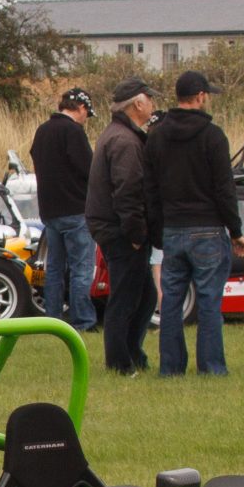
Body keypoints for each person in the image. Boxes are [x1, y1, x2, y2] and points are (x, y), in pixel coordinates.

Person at [142, 70, 244, 376]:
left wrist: (157, 230)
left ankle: (172, 367)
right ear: (201, 96)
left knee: (172, 300)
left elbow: (150, 189)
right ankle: (212, 367)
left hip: (173, 228)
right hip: (208, 227)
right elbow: (223, 187)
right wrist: (236, 230)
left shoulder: (157, 135)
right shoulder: (213, 136)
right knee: (208, 300)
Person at [84, 78, 157, 375]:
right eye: (150, 99)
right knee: (125, 297)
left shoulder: (119, 134)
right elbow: (127, 191)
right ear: (137, 104)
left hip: (113, 226)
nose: (153, 105)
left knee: (145, 294)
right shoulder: (125, 141)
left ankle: (132, 352)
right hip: (121, 230)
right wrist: (136, 234)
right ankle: (119, 362)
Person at [28, 89, 97, 331]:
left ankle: (53, 318)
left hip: (49, 211)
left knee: (54, 268)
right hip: (76, 210)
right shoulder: (73, 132)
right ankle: (83, 321)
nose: (85, 119)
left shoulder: (43, 130)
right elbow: (89, 169)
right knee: (81, 268)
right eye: (87, 113)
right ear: (80, 108)